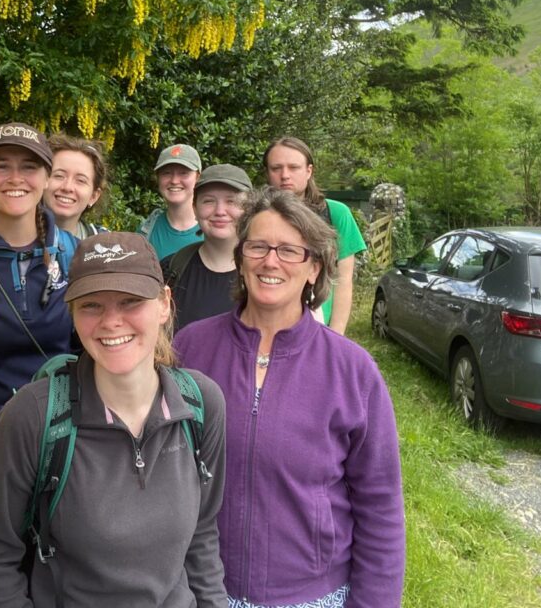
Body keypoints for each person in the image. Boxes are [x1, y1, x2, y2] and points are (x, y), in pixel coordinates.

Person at [175, 186, 405, 608]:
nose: (271, 261)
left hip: (310, 594)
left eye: (289, 250)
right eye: (258, 246)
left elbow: (381, 509)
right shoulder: (190, 349)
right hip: (200, 590)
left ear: (315, 268)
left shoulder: (352, 372)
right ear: (240, 259)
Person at [0, 232, 228, 607]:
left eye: (131, 302)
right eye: (91, 305)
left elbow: (203, 532)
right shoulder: (32, 416)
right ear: (72, 312)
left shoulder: (201, 405)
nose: (112, 321)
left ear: (164, 305)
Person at [0, 123, 76, 435]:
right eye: (2, 167)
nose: (16, 178)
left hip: (65, 431)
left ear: (46, 179)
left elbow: (91, 347)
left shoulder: (73, 254)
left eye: (29, 167)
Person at [263, 137, 366, 335]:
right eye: (276, 168)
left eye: (293, 167)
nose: (285, 175)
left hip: (319, 326)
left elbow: (343, 279)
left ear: (309, 171)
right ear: (267, 173)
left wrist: (336, 336)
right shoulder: (258, 218)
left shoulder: (336, 213)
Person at [162, 164, 251, 331]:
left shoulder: (266, 271)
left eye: (231, 201)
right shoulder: (171, 269)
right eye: (208, 201)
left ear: (250, 210)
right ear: (194, 208)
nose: (220, 211)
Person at [138, 143, 203, 260]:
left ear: (198, 178)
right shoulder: (146, 232)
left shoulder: (214, 229)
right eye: (166, 173)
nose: (174, 180)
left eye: (183, 173)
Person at [43, 133, 109, 239]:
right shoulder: (12, 238)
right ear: (42, 181)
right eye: (59, 176)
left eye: (80, 181)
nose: (67, 187)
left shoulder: (105, 245)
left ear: (94, 196)